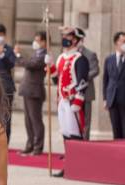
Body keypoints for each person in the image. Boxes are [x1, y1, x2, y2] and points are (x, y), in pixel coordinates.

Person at [47, 27, 89, 177]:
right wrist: (50, 64)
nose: (65, 39)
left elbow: (83, 81)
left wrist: (78, 101)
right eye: (64, 36)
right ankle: (69, 166)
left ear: (76, 40)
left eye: (69, 37)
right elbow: (55, 79)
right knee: (66, 133)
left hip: (73, 101)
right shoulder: (61, 57)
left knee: (75, 134)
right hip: (62, 101)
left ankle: (79, 167)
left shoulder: (80, 58)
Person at [14, 31, 47, 155]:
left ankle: (38, 146)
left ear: (44, 42)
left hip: (35, 91)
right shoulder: (37, 53)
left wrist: (18, 54)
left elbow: (29, 64)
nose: (36, 43)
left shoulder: (44, 55)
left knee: (35, 119)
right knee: (28, 120)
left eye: (38, 40)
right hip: (28, 90)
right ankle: (30, 144)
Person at [103, 31, 125, 139]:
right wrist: (105, 98)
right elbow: (105, 79)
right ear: (116, 43)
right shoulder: (109, 59)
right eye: (124, 41)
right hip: (112, 98)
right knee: (116, 129)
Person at [76, 27, 100, 140]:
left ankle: (84, 145)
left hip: (85, 91)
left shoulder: (90, 54)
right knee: (72, 121)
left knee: (85, 121)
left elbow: (95, 70)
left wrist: (80, 78)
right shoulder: (69, 54)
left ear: (81, 39)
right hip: (71, 92)